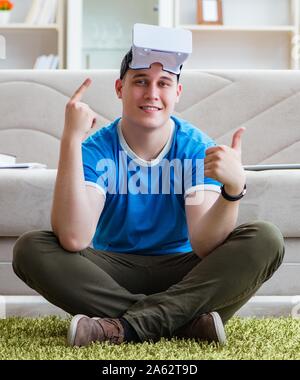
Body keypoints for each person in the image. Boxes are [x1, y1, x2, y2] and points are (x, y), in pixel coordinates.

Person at [13, 48, 284, 348]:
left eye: (163, 83)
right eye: (141, 81)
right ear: (120, 88)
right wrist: (70, 140)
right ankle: (185, 323)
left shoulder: (195, 148)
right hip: (112, 273)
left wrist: (233, 191)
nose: (152, 93)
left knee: (266, 239)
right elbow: (75, 239)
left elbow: (206, 244)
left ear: (178, 91)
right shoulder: (96, 149)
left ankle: (122, 328)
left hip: (186, 273)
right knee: (30, 248)